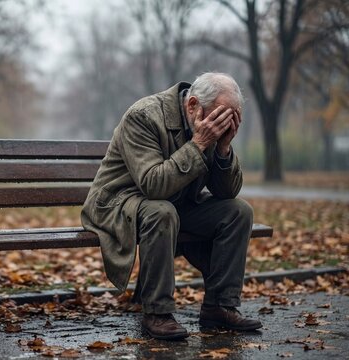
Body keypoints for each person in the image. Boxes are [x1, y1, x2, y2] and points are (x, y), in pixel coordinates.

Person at [81, 72, 262, 340]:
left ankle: (219, 306)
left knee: (238, 212)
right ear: (193, 105)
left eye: (231, 119)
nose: (223, 124)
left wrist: (223, 148)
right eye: (220, 116)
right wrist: (199, 144)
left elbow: (227, 192)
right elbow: (153, 185)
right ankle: (157, 313)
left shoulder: (209, 125)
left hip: (174, 202)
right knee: (161, 212)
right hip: (121, 201)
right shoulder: (143, 115)